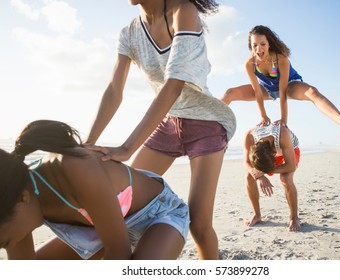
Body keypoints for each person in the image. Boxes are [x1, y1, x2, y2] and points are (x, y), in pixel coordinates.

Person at [85, 0, 236, 260]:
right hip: (167, 123)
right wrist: (88, 143)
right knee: (124, 202)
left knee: (198, 223)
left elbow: (173, 85)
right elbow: (113, 91)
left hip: (206, 123)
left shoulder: (183, 12)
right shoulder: (129, 33)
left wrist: (126, 148)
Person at [0, 120, 189, 260]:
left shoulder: (73, 168)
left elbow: (119, 252)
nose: (4, 246)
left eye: (4, 243)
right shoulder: (14, 202)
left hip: (158, 215)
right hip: (104, 231)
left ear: (23, 199)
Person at [222, 25, 340, 133]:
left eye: (262, 44)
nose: (259, 48)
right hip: (266, 90)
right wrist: (263, 115)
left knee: (312, 92)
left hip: (289, 85)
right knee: (230, 93)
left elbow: (282, 92)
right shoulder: (250, 64)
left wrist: (283, 119)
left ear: (269, 44)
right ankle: (207, 122)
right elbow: (257, 92)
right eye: (254, 45)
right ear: (251, 47)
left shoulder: (281, 59)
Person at [243, 122, 300, 232]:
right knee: (249, 177)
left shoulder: (282, 134)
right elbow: (246, 162)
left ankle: (294, 217)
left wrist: (264, 171)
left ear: (273, 151)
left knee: (286, 178)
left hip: (289, 151)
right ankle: (257, 215)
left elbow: (291, 166)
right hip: (266, 154)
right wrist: (259, 176)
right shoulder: (249, 137)